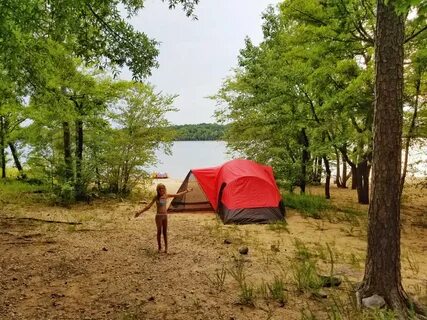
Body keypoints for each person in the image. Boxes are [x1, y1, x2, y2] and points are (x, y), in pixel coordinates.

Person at [135, 183, 193, 253]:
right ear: (158, 190)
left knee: (165, 232)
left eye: (163, 188)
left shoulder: (166, 195)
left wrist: (187, 190)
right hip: (158, 216)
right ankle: (159, 247)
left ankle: (166, 248)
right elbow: (148, 206)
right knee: (159, 232)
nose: (161, 190)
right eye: (160, 189)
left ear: (164, 189)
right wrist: (140, 212)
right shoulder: (156, 197)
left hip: (165, 215)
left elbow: (178, 195)